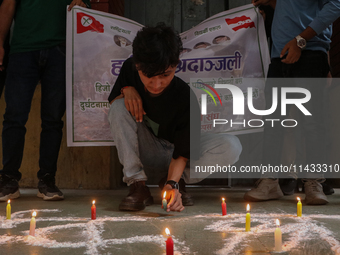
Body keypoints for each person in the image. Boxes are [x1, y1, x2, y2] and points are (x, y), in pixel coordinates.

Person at [108, 23, 242, 212]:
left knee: (231, 145)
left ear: (176, 65)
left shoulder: (185, 96)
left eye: (165, 75)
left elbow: (182, 153)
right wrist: (126, 89)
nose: (156, 84)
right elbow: (116, 100)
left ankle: (174, 183)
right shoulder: (130, 68)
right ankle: (137, 185)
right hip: (150, 149)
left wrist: (173, 183)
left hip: (179, 156)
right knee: (118, 106)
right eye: (149, 77)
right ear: (138, 67)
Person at [244, 0, 340, 205]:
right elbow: (297, 8)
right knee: (273, 122)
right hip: (279, 55)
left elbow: (335, 5)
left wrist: (300, 41)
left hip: (309, 52)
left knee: (312, 123)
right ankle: (270, 183)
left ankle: (313, 183)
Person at [0, 0, 90, 201]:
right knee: (14, 117)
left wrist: (81, 4)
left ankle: (47, 180)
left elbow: (84, 8)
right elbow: (8, 4)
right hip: (23, 48)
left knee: (53, 120)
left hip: (61, 49)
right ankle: (8, 179)